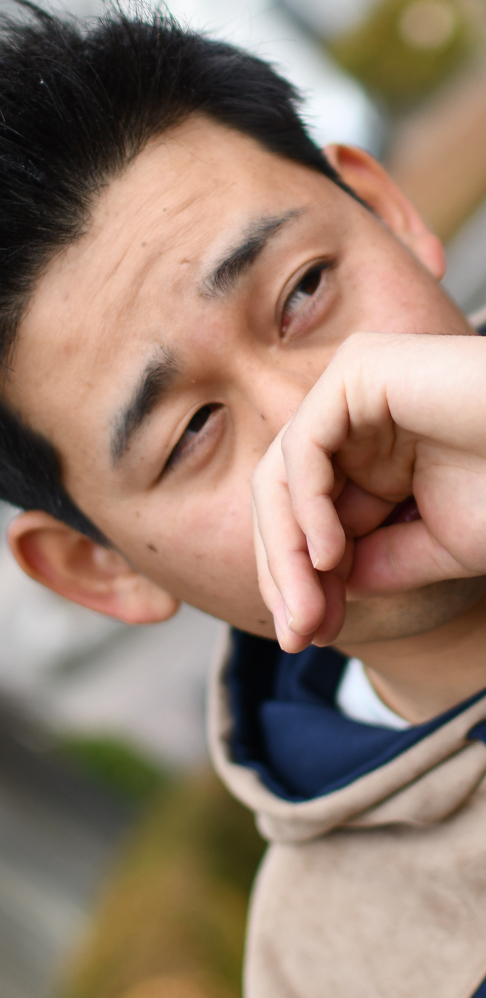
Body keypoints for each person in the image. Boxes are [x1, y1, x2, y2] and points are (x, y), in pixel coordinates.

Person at [1, 5, 486, 995]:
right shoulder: (327, 969)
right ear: (103, 568)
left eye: (304, 290)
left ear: (385, 208)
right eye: (191, 433)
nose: (322, 426)